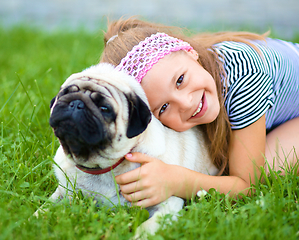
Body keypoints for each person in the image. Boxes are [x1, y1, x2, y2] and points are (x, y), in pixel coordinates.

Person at [100, 17, 299, 208]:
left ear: (190, 52)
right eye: (164, 107)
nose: (185, 103)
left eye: (180, 80)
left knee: (263, 170)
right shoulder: (200, 81)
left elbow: (247, 186)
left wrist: (176, 180)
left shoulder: (244, 75)